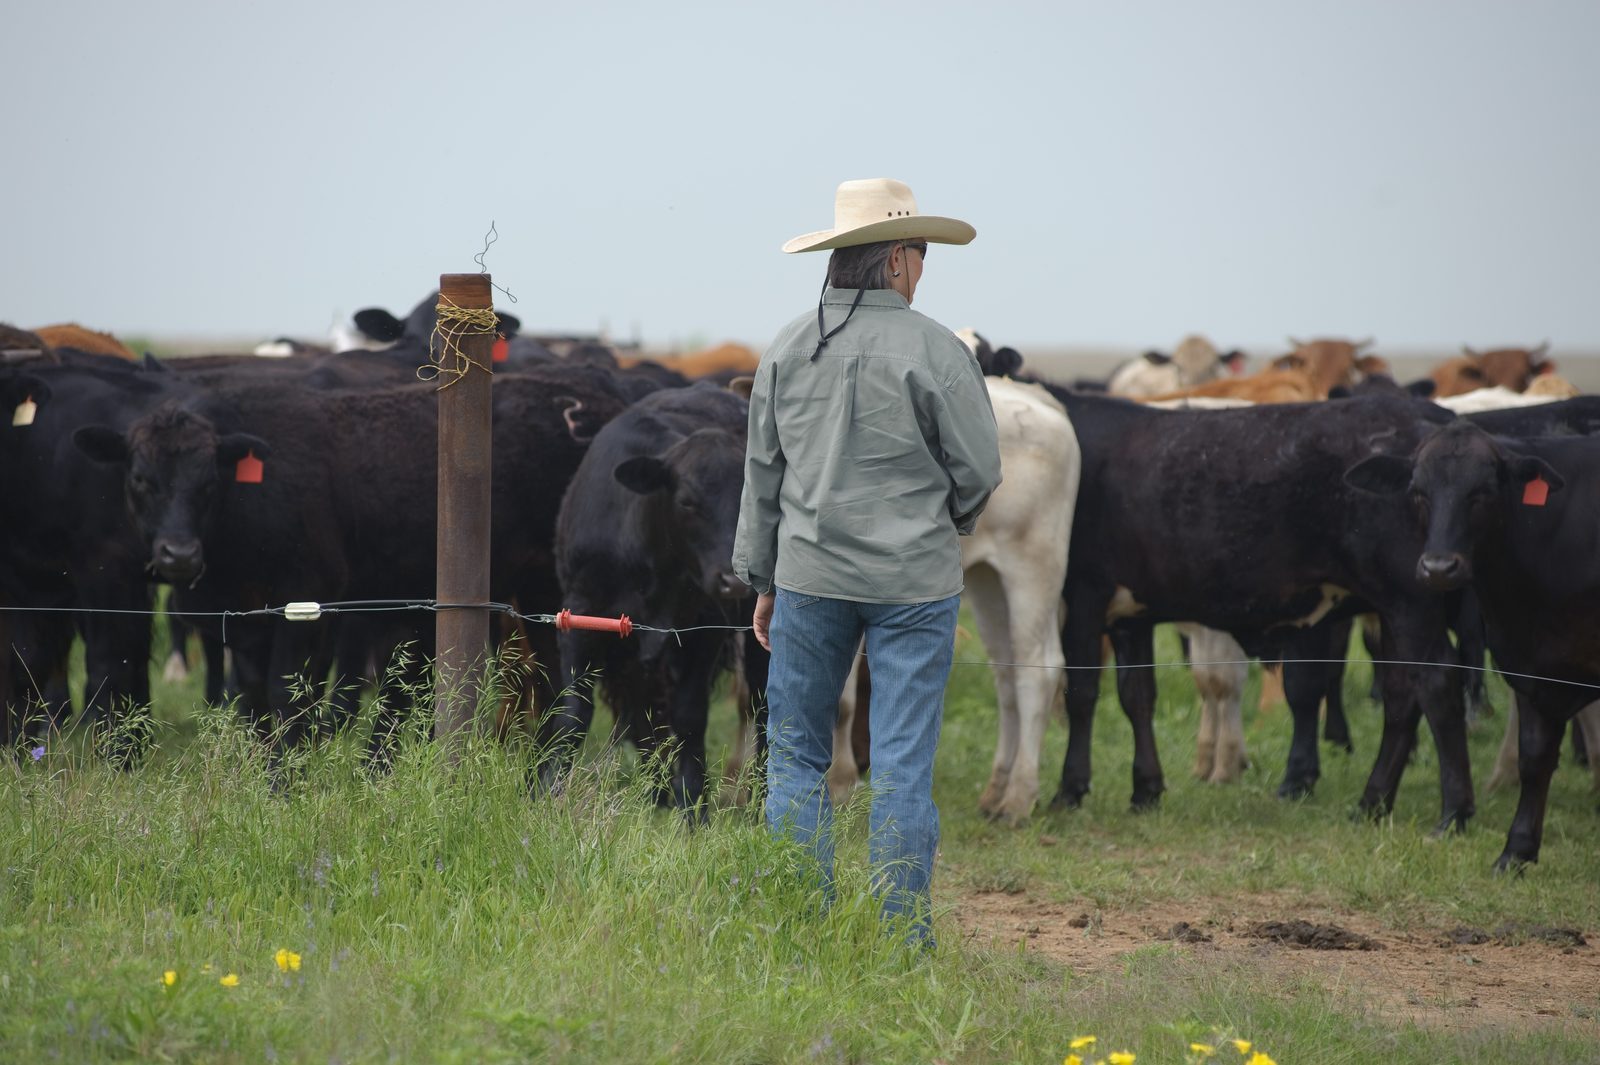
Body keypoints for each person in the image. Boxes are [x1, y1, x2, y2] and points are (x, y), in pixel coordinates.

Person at [732, 177, 1003, 945]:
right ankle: (900, 942)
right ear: (893, 262)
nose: (923, 268)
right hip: (914, 585)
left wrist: (761, 580)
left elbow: (763, 476)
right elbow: (980, 470)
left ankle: (798, 929)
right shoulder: (937, 349)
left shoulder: (786, 346)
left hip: (809, 580)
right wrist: (944, 521)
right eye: (919, 252)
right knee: (902, 768)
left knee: (792, 761)